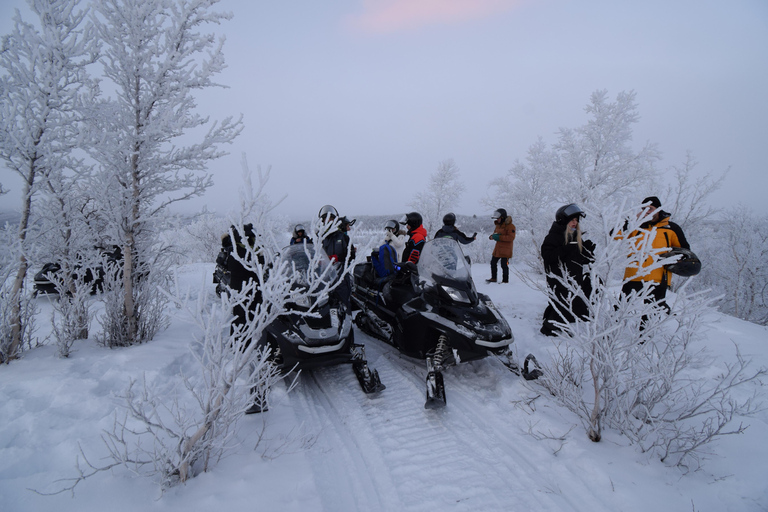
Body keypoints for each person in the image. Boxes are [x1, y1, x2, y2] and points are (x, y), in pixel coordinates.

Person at [619, 196, 689, 316]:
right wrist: (630, 223)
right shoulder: (635, 226)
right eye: (644, 209)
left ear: (658, 209)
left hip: (658, 278)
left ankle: (646, 335)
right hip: (633, 275)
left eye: (650, 208)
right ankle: (614, 333)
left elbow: (684, 250)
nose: (647, 211)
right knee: (621, 310)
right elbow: (615, 235)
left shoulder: (672, 228)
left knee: (650, 314)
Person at [540, 204, 596, 336]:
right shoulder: (553, 236)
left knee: (574, 306)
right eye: (572, 220)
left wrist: (588, 253)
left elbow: (579, 259)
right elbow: (547, 256)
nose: (574, 223)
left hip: (574, 278)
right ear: (563, 220)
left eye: (576, 220)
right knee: (562, 305)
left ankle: (564, 326)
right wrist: (567, 248)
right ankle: (549, 330)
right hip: (559, 279)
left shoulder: (575, 236)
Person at [318, 205, 356, 307]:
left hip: (341, 278)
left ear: (335, 220)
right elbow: (313, 255)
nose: (328, 221)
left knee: (343, 306)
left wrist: (338, 258)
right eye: (325, 219)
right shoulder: (320, 239)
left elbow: (351, 255)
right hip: (324, 280)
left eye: (331, 218)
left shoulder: (343, 237)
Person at [487, 208, 516, 283]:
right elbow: (495, 234)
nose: (497, 220)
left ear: (502, 218)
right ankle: (493, 278)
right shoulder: (498, 226)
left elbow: (511, 237)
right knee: (493, 262)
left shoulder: (510, 226)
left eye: (498, 218)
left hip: (506, 250)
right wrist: (492, 236)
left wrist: (499, 237)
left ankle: (505, 281)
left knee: (504, 265)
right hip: (498, 249)